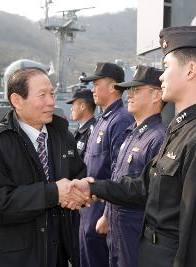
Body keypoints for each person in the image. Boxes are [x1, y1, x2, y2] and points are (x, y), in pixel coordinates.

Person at [70, 26, 196, 267]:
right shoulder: (179, 130)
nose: (162, 76)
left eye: (167, 67)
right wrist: (92, 187)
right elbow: (143, 187)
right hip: (149, 252)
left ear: (191, 70)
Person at [0, 60, 89, 267]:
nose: (51, 102)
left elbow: (77, 174)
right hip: (13, 258)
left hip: (57, 255)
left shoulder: (63, 137)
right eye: (42, 95)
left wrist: (81, 190)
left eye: (52, 94)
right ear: (17, 100)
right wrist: (53, 193)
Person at [102, 65, 166, 267]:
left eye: (137, 90)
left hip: (135, 236)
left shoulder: (158, 139)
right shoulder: (132, 134)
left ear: (157, 95)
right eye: (130, 90)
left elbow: (153, 196)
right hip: (117, 231)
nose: (130, 94)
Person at [78, 62, 134, 267]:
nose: (92, 89)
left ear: (112, 87)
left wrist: (108, 216)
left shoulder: (121, 121)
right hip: (88, 211)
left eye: (96, 84)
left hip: (100, 213)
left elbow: (118, 173)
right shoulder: (102, 120)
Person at [66, 89, 96, 159]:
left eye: (73, 104)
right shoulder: (79, 130)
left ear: (82, 106)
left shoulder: (93, 132)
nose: (71, 109)